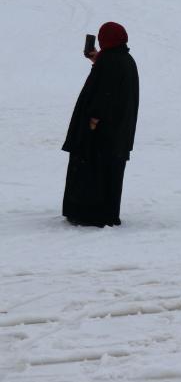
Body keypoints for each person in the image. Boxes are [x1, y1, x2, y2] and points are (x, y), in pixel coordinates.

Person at [62, 22, 139, 228]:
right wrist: (98, 59)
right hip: (117, 132)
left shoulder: (112, 62)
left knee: (92, 168)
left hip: (102, 131)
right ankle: (105, 212)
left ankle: (89, 214)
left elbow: (106, 93)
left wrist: (94, 118)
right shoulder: (124, 59)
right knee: (109, 171)